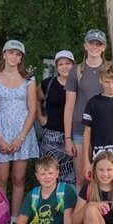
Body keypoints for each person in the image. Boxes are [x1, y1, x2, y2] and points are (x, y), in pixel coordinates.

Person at [0, 40, 40, 222]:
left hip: (22, 132)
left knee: (19, 178)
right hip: (0, 131)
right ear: (4, 55)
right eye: (11, 53)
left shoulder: (29, 80)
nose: (14, 57)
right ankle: (0, 217)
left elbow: (32, 109)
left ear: (21, 59)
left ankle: (15, 218)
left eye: (18, 54)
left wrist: (21, 137)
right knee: (1, 179)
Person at [64, 29, 112, 189]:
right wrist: (68, 138)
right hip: (80, 130)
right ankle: (81, 213)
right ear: (85, 45)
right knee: (82, 178)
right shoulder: (76, 71)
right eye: (91, 43)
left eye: (99, 44)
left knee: (106, 177)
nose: (95, 47)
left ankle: (105, 213)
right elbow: (69, 106)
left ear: (104, 47)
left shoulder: (110, 70)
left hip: (105, 131)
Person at [38, 50, 76, 184]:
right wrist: (41, 118)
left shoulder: (78, 84)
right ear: (56, 66)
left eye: (68, 63)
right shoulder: (48, 83)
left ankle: (66, 204)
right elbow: (35, 99)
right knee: (48, 174)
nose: (64, 67)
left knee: (70, 176)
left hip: (72, 135)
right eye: (61, 64)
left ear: (73, 65)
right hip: (51, 136)